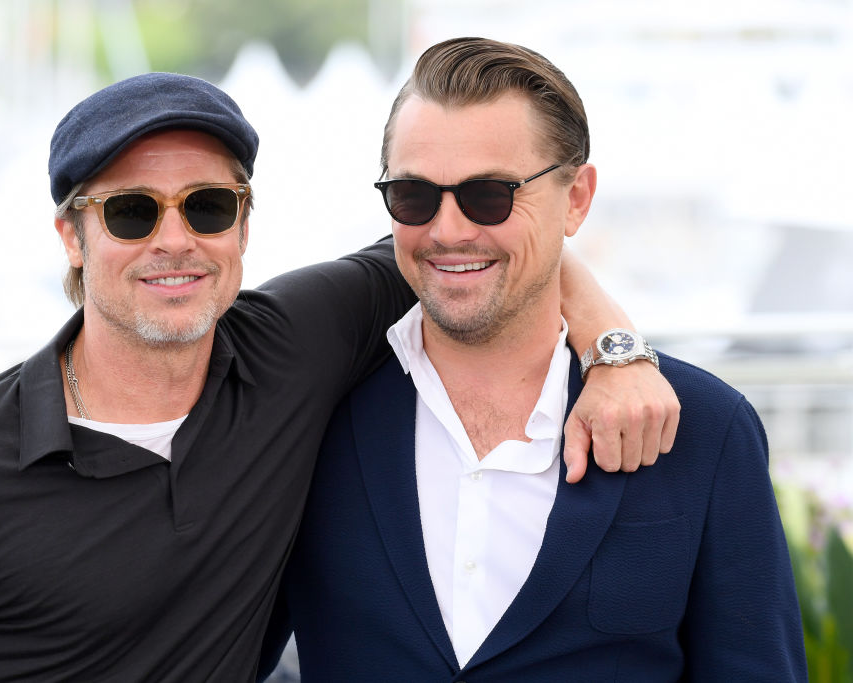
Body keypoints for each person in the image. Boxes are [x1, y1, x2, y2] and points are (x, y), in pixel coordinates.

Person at [0, 72, 678, 681]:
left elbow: (470, 245)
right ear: (71, 238)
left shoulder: (292, 347)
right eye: (130, 212)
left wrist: (614, 349)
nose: (175, 240)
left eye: (208, 206)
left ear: (242, 225)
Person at [259, 37, 807, 681]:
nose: (448, 230)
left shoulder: (706, 430)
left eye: (490, 195)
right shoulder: (314, 417)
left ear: (576, 199)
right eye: (413, 195)